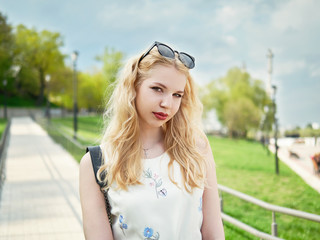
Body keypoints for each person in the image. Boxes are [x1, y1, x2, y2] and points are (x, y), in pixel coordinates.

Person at [79, 41, 225, 240]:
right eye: (157, 89)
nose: (167, 104)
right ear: (133, 87)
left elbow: (213, 232)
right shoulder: (96, 163)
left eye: (177, 95)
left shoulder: (197, 147)